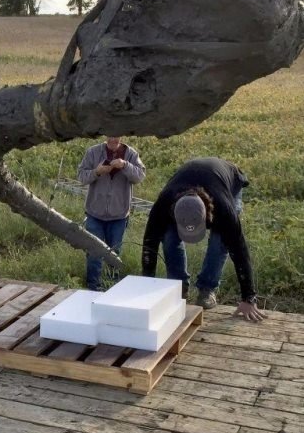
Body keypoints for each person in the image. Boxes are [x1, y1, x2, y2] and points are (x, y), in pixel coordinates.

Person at [141, 157, 266, 321]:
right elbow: (150, 244)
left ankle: (207, 289)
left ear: (207, 215)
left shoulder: (223, 209)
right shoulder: (163, 205)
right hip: (187, 180)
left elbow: (239, 249)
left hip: (227, 181)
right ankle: (178, 286)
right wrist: (145, 287)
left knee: (220, 241)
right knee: (169, 237)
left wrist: (249, 298)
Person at [77, 136, 146, 291]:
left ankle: (111, 287)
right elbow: (81, 176)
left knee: (114, 253)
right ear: (105, 136)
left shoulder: (131, 154)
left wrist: (125, 165)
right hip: (95, 213)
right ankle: (93, 287)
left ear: (122, 137)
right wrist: (97, 171)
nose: (113, 140)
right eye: (110, 136)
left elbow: (140, 176)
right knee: (94, 251)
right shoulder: (93, 152)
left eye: (116, 137)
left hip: (119, 215)